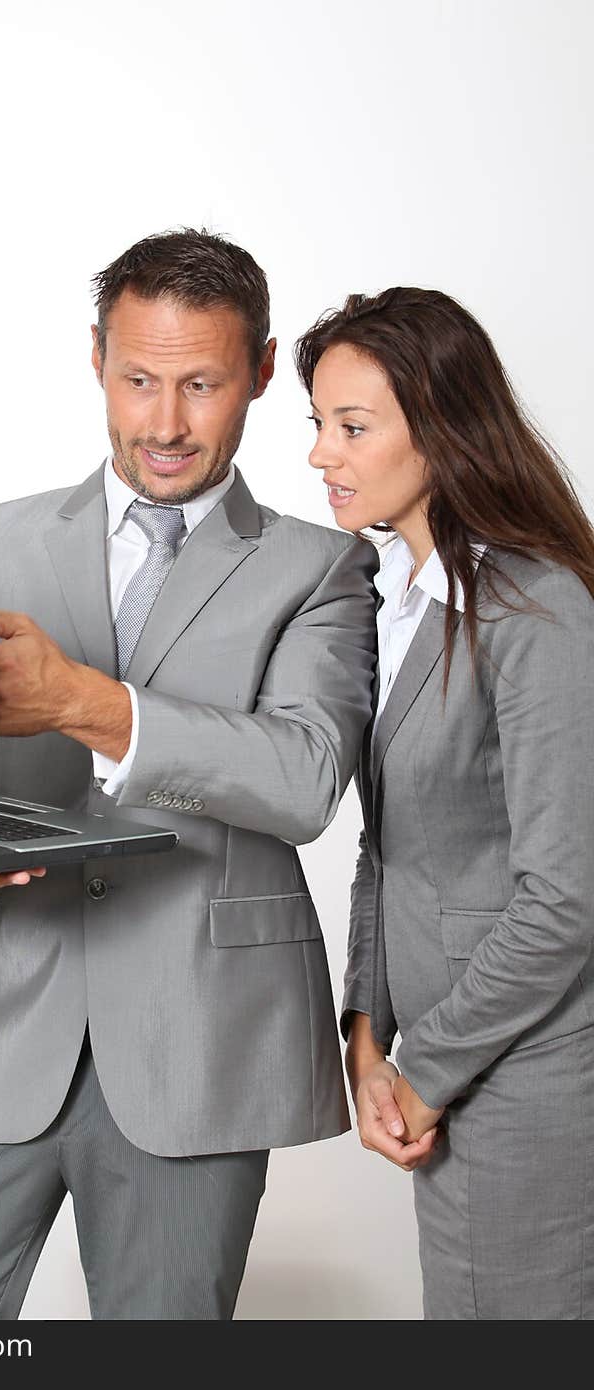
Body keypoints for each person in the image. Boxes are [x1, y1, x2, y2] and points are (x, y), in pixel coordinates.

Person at [0, 229, 377, 1321]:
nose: (164, 422)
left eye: (200, 383)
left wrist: (85, 702)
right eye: (137, 379)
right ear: (95, 358)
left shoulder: (320, 567)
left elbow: (304, 777)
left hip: (200, 1053)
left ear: (263, 372)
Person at [295, 286, 594, 1320]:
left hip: (528, 1078)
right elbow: (389, 847)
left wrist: (423, 1068)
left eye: (352, 426)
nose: (321, 454)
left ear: (440, 426)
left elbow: (565, 900)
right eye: (317, 424)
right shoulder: (413, 603)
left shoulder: (538, 606)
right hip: (446, 1066)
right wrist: (365, 1029)